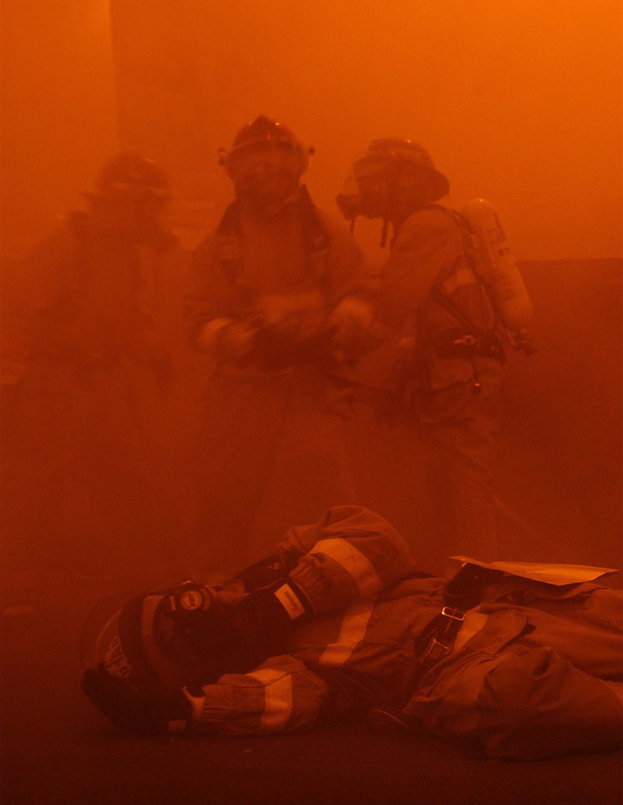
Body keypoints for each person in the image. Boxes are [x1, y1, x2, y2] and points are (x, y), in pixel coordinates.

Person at [81, 504, 622, 760]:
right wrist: (189, 712)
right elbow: (283, 702)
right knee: (514, 700)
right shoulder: (271, 667)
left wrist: (282, 601)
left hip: (504, 606)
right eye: (183, 642)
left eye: (186, 605)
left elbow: (377, 537)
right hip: (455, 674)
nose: (209, 610)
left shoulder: (290, 562)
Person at [184, 117, 376, 574]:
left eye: (274, 164)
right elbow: (196, 320)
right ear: (235, 173)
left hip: (312, 387)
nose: (264, 175)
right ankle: (213, 593)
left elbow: (362, 293)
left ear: (296, 169)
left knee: (325, 497)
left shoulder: (325, 232)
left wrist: (339, 326)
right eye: (252, 165)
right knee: (226, 496)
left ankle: (331, 584)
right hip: (244, 391)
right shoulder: (217, 247)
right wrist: (242, 341)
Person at [1, 152, 188, 609]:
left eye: (154, 207)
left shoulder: (126, 254)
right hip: (55, 391)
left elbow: (128, 320)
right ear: (120, 202)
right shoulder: (70, 241)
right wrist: (7, 383)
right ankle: (16, 579)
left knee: (125, 478)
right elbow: (18, 314)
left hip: (101, 392)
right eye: (144, 205)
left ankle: (150, 575)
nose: (151, 218)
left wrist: (152, 351)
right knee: (33, 484)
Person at [337, 138, 507, 564]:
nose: (367, 192)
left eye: (374, 181)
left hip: (458, 376)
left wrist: (336, 343)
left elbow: (392, 303)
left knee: (465, 485)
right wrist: (397, 376)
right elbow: (421, 319)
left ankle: (475, 587)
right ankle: (460, 580)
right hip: (453, 375)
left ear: (406, 182)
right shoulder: (426, 227)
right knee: (451, 484)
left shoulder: (426, 226)